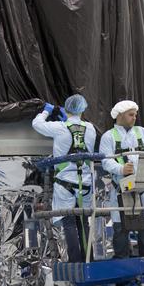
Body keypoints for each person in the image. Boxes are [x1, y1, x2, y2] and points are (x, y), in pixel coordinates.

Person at [99, 100, 144, 259]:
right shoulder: (108, 137)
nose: (134, 118)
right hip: (121, 189)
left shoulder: (142, 133)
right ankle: (122, 265)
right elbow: (106, 161)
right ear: (120, 115)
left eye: (135, 115)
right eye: (131, 115)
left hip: (143, 188)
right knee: (120, 228)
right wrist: (121, 169)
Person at [32, 94, 99, 261]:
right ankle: (88, 259)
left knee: (69, 222)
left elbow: (36, 124)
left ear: (66, 109)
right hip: (85, 182)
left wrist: (46, 111)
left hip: (65, 183)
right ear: (82, 110)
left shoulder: (60, 127)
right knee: (83, 222)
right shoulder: (90, 128)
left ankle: (75, 260)